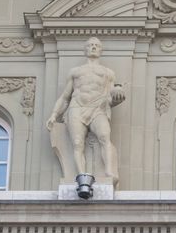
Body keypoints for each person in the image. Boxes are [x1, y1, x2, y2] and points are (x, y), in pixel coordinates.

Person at [46, 37, 125, 183]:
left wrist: (117, 97)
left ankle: (109, 171)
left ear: (101, 50)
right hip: (77, 107)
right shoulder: (75, 72)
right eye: (90, 45)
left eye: (96, 45)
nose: (93, 47)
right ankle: (81, 175)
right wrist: (54, 114)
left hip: (98, 108)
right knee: (77, 143)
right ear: (85, 49)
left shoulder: (108, 73)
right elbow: (65, 97)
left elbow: (109, 97)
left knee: (104, 136)